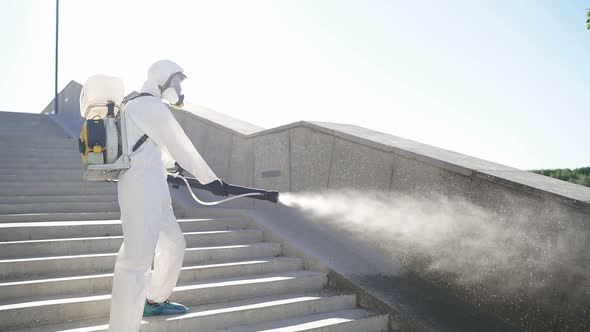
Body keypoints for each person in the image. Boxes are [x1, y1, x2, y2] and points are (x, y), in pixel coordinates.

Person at [108, 59, 227, 331]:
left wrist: (172, 168)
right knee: (136, 262)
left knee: (173, 243)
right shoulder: (147, 104)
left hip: (155, 187)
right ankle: (122, 327)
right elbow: (178, 141)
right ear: (161, 79)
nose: (178, 88)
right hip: (140, 189)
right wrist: (210, 179)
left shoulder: (140, 106)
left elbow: (157, 148)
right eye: (176, 82)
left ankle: (154, 299)